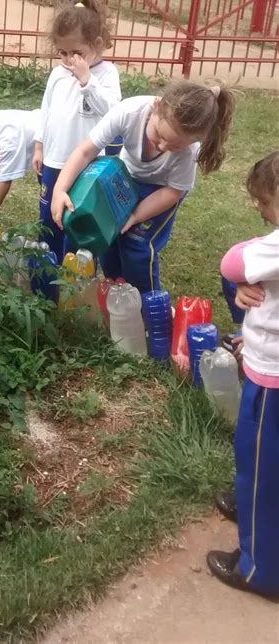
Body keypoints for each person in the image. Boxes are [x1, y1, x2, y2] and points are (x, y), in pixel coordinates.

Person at [51, 82, 234, 293]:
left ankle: (146, 305)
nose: (164, 147)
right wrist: (60, 189)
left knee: (136, 244)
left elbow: (174, 191)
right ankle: (116, 293)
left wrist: (135, 216)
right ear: (156, 107)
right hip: (125, 177)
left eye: (175, 146)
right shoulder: (129, 111)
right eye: (160, 135)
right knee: (108, 234)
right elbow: (85, 151)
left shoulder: (189, 151)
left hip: (161, 190)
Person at [207, 151, 279, 597]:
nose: (259, 209)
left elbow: (232, 263)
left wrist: (240, 272)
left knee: (259, 464)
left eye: (265, 202)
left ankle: (260, 570)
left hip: (271, 380)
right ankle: (253, 505)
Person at [33, 0, 121, 261]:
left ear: (96, 45)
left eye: (77, 53)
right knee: (49, 215)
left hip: (86, 164)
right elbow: (46, 109)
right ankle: (47, 263)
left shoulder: (106, 74)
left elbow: (111, 111)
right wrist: (39, 145)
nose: (70, 60)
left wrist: (87, 81)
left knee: (80, 215)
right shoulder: (58, 74)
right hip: (54, 160)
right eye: (63, 53)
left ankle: (77, 268)